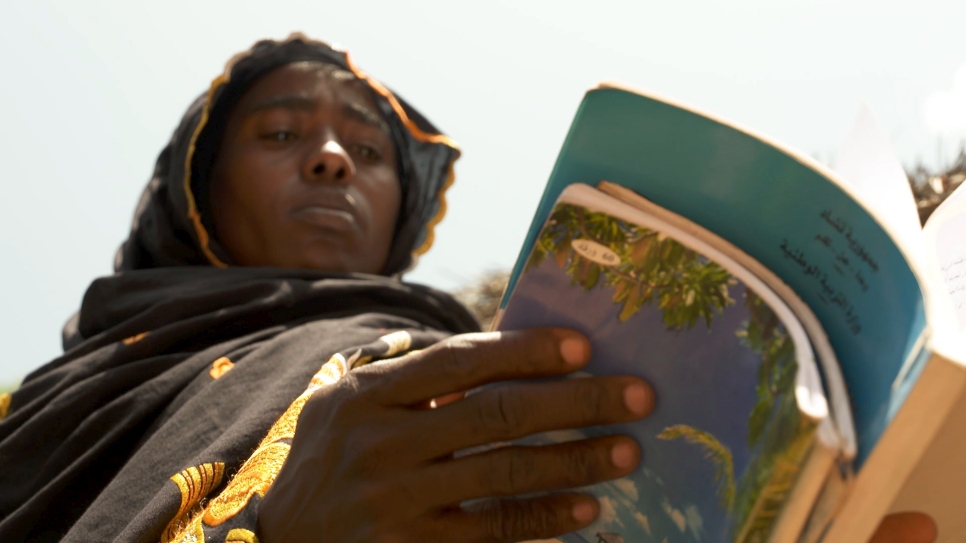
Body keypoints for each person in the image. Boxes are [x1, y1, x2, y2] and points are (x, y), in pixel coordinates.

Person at [0, 34, 937, 543]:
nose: (332, 159)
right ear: (193, 192)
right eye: (282, 134)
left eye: (368, 151)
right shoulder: (41, 410)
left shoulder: (479, 351)